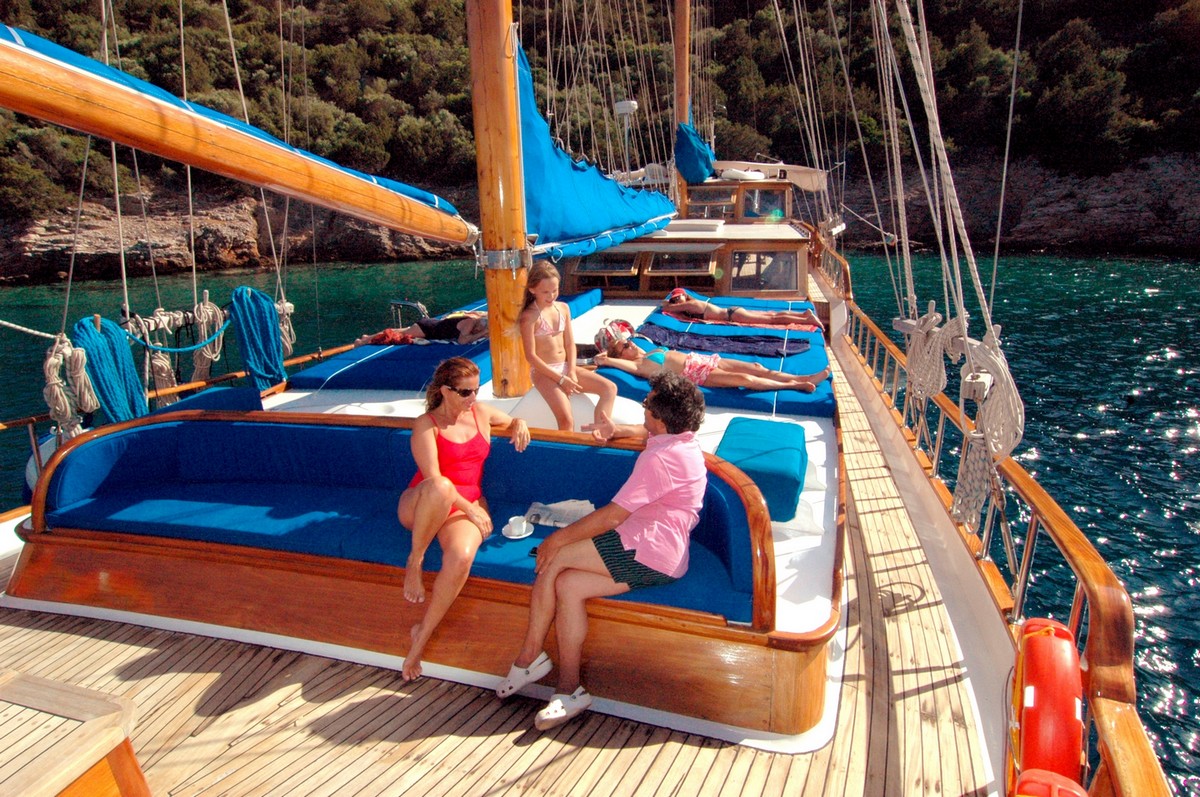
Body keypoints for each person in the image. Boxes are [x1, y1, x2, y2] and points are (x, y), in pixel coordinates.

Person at [495, 371, 707, 730]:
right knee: (569, 586)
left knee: (554, 558)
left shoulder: (661, 459)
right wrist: (618, 429)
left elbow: (612, 516)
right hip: (659, 551)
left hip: (649, 551)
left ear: (660, 416)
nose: (644, 408)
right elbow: (649, 435)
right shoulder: (681, 442)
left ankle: (529, 656)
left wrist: (555, 539)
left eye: (647, 404)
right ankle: (569, 689)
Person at [398, 356, 531, 681]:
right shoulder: (425, 424)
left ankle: (421, 637)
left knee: (461, 557)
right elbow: (432, 479)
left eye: (475, 390)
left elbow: (512, 419)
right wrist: (471, 508)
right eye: (466, 392)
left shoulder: (480, 413)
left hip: (461, 507)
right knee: (442, 485)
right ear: (445, 390)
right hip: (422, 503)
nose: (474, 398)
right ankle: (415, 561)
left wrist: (519, 423)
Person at [518, 262, 617, 431]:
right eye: (546, 292)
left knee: (609, 388)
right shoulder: (529, 317)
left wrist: (571, 371)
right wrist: (562, 380)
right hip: (544, 372)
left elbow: (570, 344)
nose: (551, 296)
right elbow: (531, 357)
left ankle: (600, 432)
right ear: (532, 289)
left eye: (555, 290)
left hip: (565, 367)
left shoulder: (563, 308)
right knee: (566, 420)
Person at [596, 337, 831, 392]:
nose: (631, 344)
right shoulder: (640, 365)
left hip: (704, 360)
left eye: (628, 341)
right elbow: (618, 364)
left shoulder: (649, 350)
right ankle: (795, 386)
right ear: (622, 356)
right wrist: (607, 358)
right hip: (695, 373)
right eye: (625, 346)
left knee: (755, 368)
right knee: (745, 381)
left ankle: (804, 378)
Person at [661, 288, 823, 330]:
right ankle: (803, 314)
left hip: (732, 316)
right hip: (732, 312)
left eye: (678, 297)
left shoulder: (690, 304)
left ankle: (806, 319)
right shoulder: (690, 305)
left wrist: (670, 302)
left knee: (772, 319)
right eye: (675, 298)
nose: (676, 300)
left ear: (684, 296)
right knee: (771, 315)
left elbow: (666, 306)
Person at [355, 311, 488, 347]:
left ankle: (367, 337)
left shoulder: (475, 321)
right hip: (428, 329)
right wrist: (483, 333)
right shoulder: (470, 322)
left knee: (399, 330)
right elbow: (462, 341)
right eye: (482, 327)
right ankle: (364, 341)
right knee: (394, 333)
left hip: (431, 326)